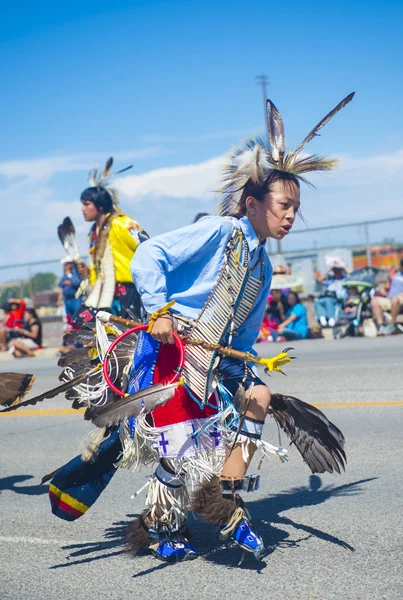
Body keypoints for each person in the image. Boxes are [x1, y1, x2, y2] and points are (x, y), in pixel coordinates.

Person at [1, 93, 351, 567]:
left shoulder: (263, 267)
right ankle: (172, 523)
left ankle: (225, 493)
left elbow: (243, 334)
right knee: (179, 451)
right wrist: (160, 311)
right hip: (172, 349)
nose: (291, 215)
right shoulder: (220, 232)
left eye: (296, 208)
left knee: (257, 399)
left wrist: (242, 370)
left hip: (212, 359)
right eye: (283, 205)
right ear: (252, 204)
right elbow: (150, 256)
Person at [71, 157, 149, 326]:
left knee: (125, 335)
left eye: (87, 204)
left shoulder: (121, 223)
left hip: (127, 289)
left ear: (100, 206)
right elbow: (102, 272)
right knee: (81, 322)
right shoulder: (95, 233)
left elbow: (147, 244)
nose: (83, 209)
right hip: (105, 292)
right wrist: (88, 273)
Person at [371, 258, 403, 335]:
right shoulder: (395, 275)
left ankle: (392, 325)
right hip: (390, 299)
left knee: (395, 299)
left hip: (400, 299)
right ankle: (381, 326)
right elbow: (387, 286)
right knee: (374, 301)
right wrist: (382, 289)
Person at [314, 257, 348, 327]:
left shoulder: (345, 279)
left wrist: (342, 266)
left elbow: (352, 275)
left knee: (328, 301)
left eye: (338, 270)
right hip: (329, 296)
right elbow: (320, 280)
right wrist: (329, 270)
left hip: (338, 298)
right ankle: (322, 319)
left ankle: (331, 319)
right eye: (335, 271)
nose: (336, 272)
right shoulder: (331, 280)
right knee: (318, 302)